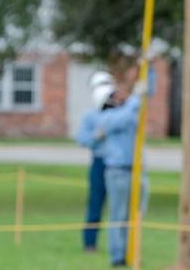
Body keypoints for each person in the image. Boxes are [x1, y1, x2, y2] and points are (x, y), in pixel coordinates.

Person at [96, 69, 155, 268]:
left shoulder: (130, 112)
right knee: (119, 216)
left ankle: (133, 253)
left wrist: (149, 72)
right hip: (118, 172)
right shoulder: (108, 118)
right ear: (107, 101)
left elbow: (145, 101)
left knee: (138, 214)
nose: (119, 96)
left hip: (138, 170)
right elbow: (130, 111)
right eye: (114, 95)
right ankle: (117, 256)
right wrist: (137, 96)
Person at [74, 71, 118, 253]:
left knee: (119, 207)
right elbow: (82, 139)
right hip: (99, 163)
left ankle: (118, 247)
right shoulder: (90, 116)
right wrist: (96, 136)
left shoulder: (119, 113)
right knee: (95, 204)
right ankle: (89, 243)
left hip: (118, 164)